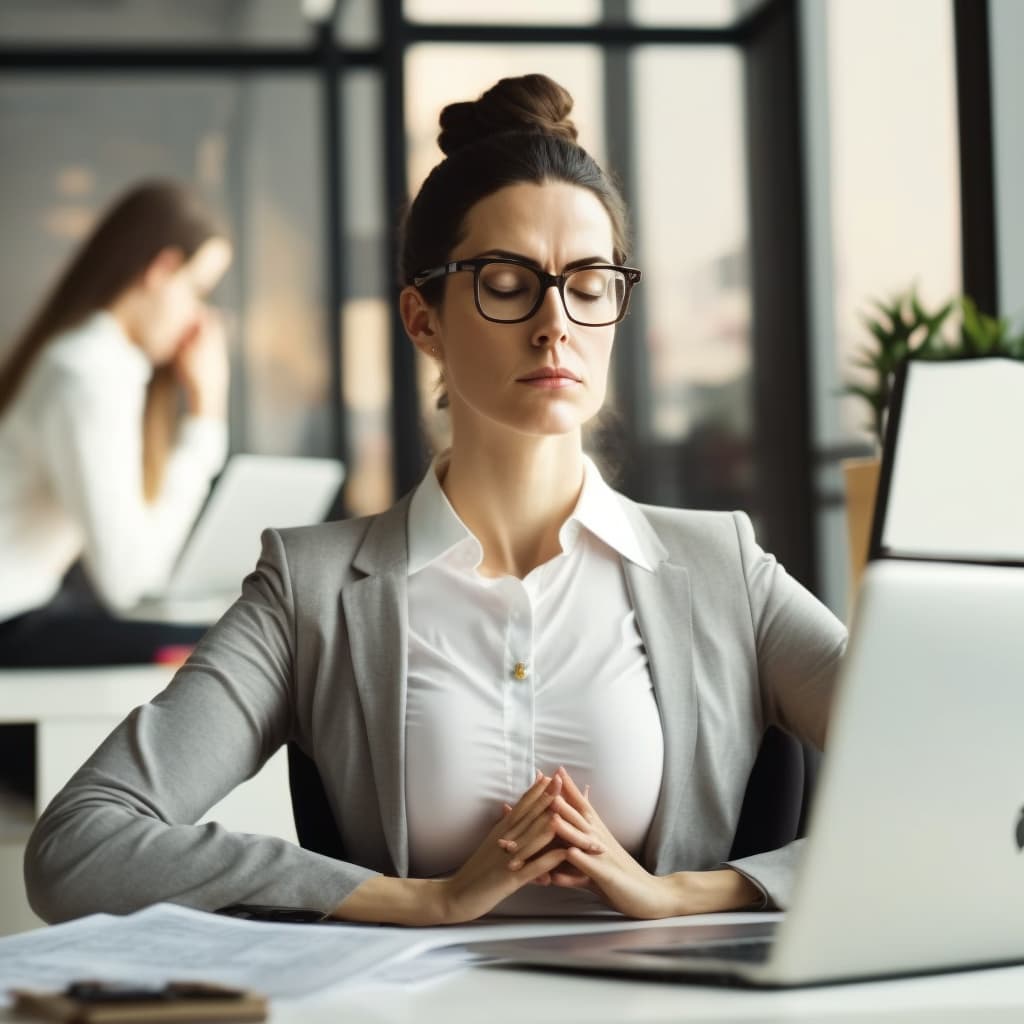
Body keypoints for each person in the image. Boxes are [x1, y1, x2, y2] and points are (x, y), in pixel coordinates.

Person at [24, 76, 846, 927]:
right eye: (505, 281)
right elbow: (79, 848)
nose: (555, 322)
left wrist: (695, 890)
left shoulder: (724, 571)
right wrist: (422, 901)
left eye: (589, 283)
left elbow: (982, 787)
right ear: (424, 321)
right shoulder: (311, 590)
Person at [0, 179, 232, 668]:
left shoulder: (100, 364)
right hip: (12, 622)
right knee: (233, 641)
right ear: (161, 269)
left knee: (237, 632)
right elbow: (128, 583)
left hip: (26, 613)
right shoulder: (87, 372)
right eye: (197, 291)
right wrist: (205, 416)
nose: (197, 319)